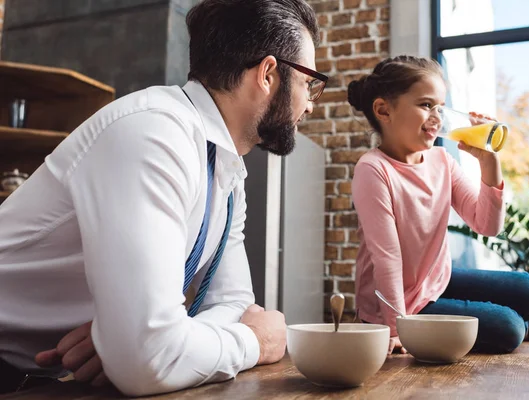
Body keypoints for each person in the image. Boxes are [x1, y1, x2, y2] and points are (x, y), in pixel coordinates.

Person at [0, 0, 328, 396]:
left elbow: (234, 305)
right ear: (268, 74)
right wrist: (258, 342)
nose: (311, 102)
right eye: (309, 81)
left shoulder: (224, 168)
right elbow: (148, 360)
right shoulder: (153, 134)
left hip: (42, 381)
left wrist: (138, 338)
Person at [348, 55, 529, 356]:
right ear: (384, 110)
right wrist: (397, 329)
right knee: (507, 327)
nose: (437, 117)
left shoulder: (442, 161)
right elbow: (387, 257)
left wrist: (488, 161)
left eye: (440, 108)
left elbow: (487, 225)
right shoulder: (373, 169)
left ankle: (516, 326)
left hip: (436, 281)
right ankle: (527, 329)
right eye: (425, 105)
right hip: (398, 303)